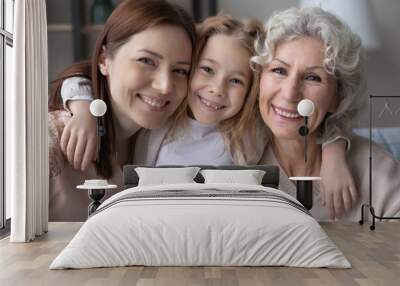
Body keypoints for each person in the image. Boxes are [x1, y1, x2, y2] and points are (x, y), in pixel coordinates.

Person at [59, 13, 357, 220]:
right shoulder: (161, 113)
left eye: (236, 80)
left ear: (252, 90)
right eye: (207, 70)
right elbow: (87, 76)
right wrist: (83, 107)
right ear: (188, 67)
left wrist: (334, 153)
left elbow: (323, 115)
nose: (217, 90)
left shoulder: (250, 130)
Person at [48, 0, 196, 221]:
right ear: (104, 60)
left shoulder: (168, 140)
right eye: (146, 60)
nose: (165, 86)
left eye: (180, 70)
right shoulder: (48, 144)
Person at [252, 6, 400, 221]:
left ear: (338, 96)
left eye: (313, 77)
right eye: (279, 70)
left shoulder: (376, 171)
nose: (290, 93)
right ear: (259, 79)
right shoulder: (236, 159)